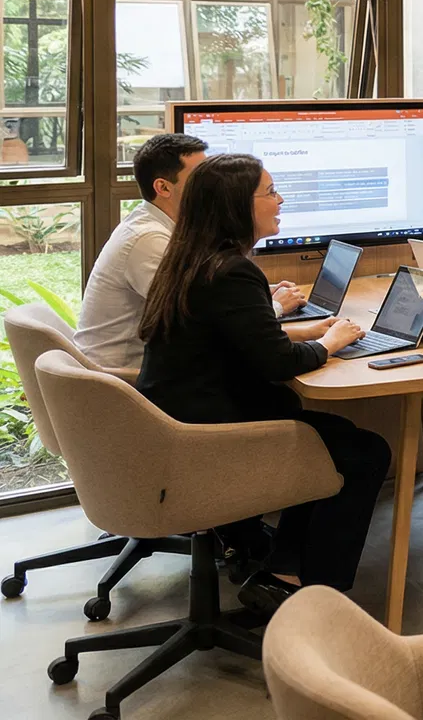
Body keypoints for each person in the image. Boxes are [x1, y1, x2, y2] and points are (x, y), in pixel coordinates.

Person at [134, 154, 389, 617]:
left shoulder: (191, 258)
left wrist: (306, 334)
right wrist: (329, 343)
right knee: (364, 451)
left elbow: (239, 339)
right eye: (270, 192)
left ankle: (283, 572)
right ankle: (311, 593)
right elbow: (276, 362)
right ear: (236, 205)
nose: (281, 200)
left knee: (332, 439)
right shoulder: (232, 271)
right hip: (210, 436)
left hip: (175, 422)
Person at [76, 133, 306, 371]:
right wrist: (275, 306)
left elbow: (205, 296)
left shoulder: (168, 226)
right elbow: (199, 321)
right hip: (125, 376)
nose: (210, 183)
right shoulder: (149, 240)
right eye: (199, 176)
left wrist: (256, 295)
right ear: (163, 187)